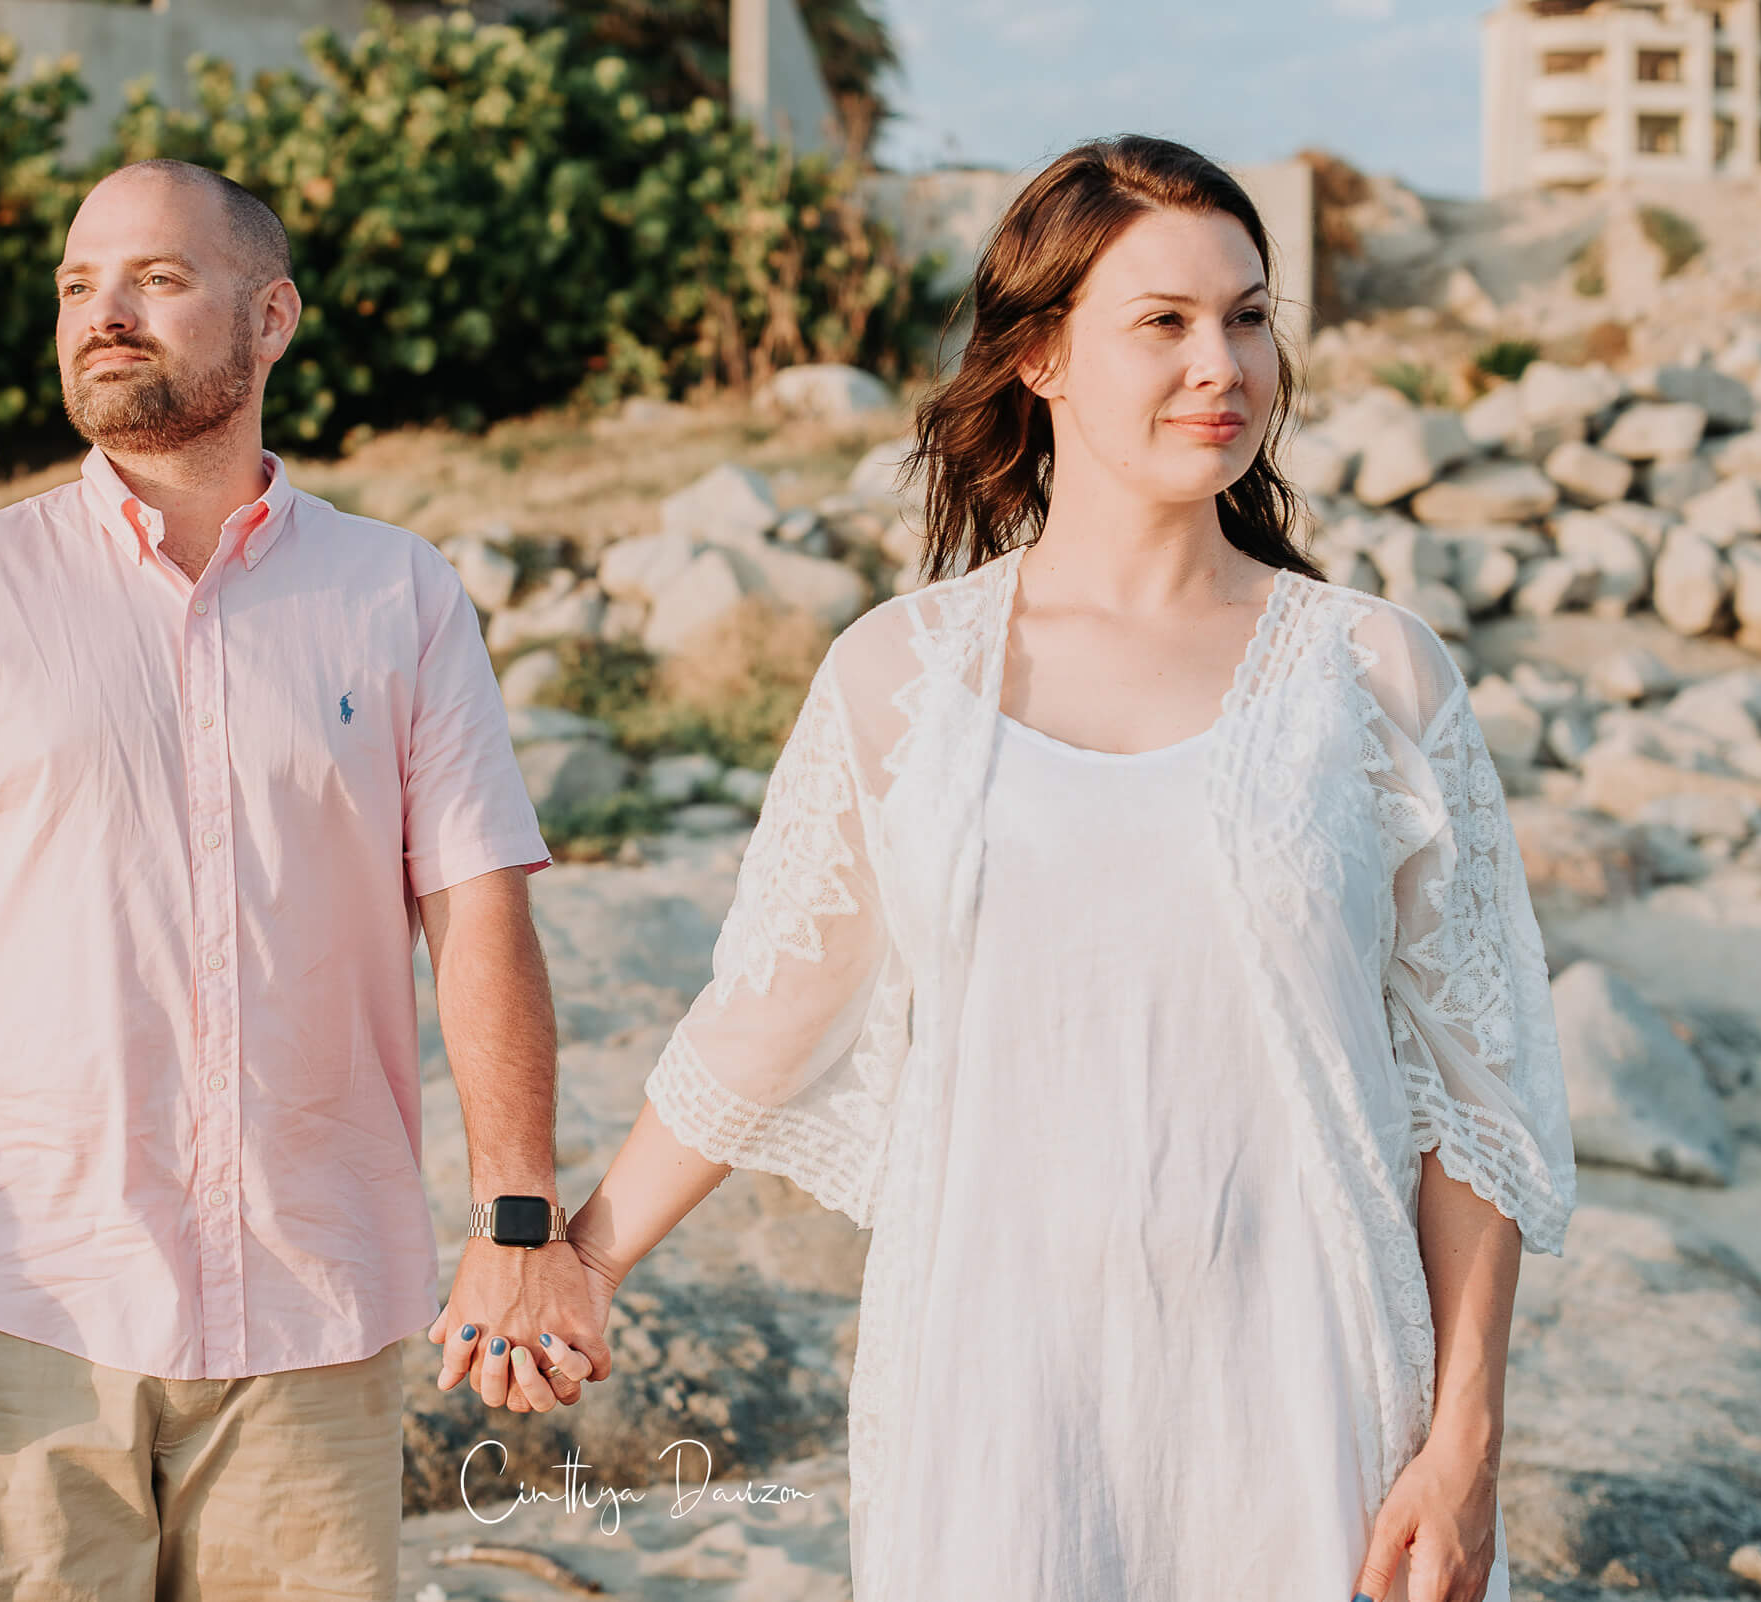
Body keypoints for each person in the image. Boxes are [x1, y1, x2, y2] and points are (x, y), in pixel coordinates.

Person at [547, 135, 1578, 1602]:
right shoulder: (899, 675)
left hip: (1306, 1387)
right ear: (1038, 357)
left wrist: (1464, 1441)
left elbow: (1479, 1102)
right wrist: (579, 1257)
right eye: (1160, 322)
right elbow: (763, 1016)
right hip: (992, 1388)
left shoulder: (1372, 673)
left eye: (1247, 314)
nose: (1221, 362)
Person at [0, 159, 609, 1602]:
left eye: (156, 280)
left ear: (271, 316)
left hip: (314, 1306)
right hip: (9, 1308)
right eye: (79, 286)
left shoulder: (395, 594)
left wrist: (516, 1218)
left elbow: (478, 906)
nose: (106, 315)